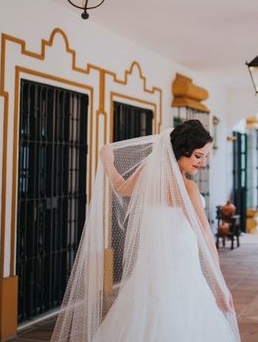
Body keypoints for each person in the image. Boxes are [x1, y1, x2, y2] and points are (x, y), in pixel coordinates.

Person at [51, 119, 240, 342]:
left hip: (151, 265)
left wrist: (108, 163)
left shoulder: (148, 172)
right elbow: (205, 237)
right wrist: (219, 285)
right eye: (198, 156)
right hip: (181, 266)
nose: (202, 162)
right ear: (182, 151)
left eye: (206, 156)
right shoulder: (188, 189)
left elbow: (122, 188)